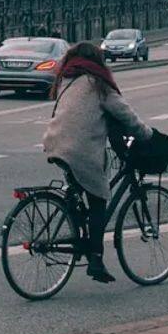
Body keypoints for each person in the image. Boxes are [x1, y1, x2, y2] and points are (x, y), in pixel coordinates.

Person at [41, 42, 157, 284]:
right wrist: (149, 135)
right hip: (79, 150)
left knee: (80, 192)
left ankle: (79, 232)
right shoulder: (98, 83)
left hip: (55, 144)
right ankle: (95, 258)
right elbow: (125, 114)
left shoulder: (67, 80)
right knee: (99, 199)